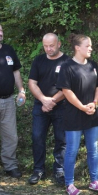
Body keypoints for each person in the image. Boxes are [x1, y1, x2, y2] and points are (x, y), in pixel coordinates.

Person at [56, 34, 98, 195]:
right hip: (74, 115)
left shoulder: (93, 65)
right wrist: (82, 107)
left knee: (93, 149)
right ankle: (69, 183)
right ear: (77, 48)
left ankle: (94, 181)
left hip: (92, 114)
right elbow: (66, 91)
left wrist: (94, 103)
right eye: (87, 45)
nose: (91, 48)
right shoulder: (67, 66)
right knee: (72, 150)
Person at [28, 33, 70, 185]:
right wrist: (43, 100)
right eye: (45, 46)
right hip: (40, 106)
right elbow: (32, 83)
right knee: (37, 137)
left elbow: (68, 87)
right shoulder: (39, 60)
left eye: (51, 45)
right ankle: (38, 170)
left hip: (62, 107)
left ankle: (59, 171)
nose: (48, 49)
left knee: (62, 140)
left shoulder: (67, 61)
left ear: (59, 44)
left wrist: (52, 100)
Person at [0, 20, 25, 181]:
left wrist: (21, 90)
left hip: (9, 100)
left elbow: (16, 72)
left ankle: (10, 166)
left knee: (11, 136)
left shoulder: (8, 50)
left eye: (1, 30)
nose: (0, 33)